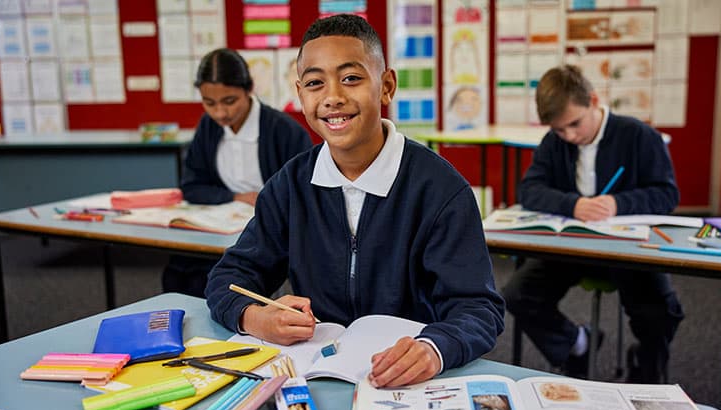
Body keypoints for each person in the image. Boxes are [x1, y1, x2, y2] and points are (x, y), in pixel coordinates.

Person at [205, 14, 505, 388]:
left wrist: (434, 348)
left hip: (406, 380)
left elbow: (479, 308)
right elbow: (228, 279)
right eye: (315, 83)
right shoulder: (290, 186)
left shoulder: (441, 190)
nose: (332, 97)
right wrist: (254, 317)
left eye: (351, 78)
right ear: (300, 94)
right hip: (316, 372)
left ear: (386, 86)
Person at [501, 64, 684, 383]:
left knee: (661, 312)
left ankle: (644, 365)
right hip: (572, 246)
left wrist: (618, 203)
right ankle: (578, 344)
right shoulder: (554, 142)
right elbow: (529, 189)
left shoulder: (639, 136)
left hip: (628, 250)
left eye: (574, 124)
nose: (569, 136)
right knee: (518, 294)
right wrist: (573, 204)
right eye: (560, 130)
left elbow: (666, 193)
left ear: (594, 101)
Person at [162, 48, 312, 297]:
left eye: (229, 101)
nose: (220, 113)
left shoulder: (285, 131)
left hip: (266, 231)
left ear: (249, 88)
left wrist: (265, 204)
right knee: (178, 274)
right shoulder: (209, 127)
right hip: (219, 227)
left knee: (223, 280)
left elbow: (304, 195)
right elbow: (191, 185)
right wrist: (234, 197)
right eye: (209, 103)